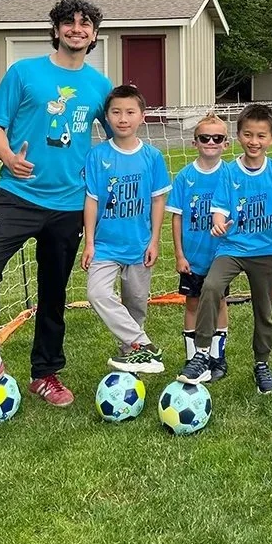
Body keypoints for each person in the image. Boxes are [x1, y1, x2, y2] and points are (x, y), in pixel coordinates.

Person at [0, 0, 114, 414]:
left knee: (53, 291)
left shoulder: (99, 86)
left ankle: (46, 373)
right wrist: (8, 158)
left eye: (86, 23)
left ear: (94, 35)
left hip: (69, 204)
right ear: (55, 30)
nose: (78, 28)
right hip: (17, 196)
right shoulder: (23, 73)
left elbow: (117, 137)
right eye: (69, 22)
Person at [177, 103, 272, 394]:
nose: (254, 141)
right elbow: (219, 208)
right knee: (211, 287)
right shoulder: (229, 172)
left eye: (261, 135)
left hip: (265, 252)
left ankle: (262, 364)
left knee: (264, 310)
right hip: (230, 248)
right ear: (239, 137)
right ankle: (202, 354)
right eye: (248, 135)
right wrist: (218, 223)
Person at [81, 84, 172, 374]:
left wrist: (154, 241)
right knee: (97, 294)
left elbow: (158, 200)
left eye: (130, 112)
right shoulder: (97, 156)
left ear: (142, 116)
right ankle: (144, 345)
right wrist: (90, 243)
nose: (123, 118)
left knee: (135, 307)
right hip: (106, 246)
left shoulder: (152, 157)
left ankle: (132, 357)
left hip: (139, 245)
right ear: (106, 117)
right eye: (116, 112)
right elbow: (92, 201)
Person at [165, 113, 233, 376]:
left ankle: (217, 356)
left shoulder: (230, 174)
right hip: (192, 257)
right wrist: (180, 255)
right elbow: (177, 217)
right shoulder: (185, 177)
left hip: (220, 256)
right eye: (205, 137)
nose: (211, 142)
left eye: (218, 138)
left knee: (218, 302)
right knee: (192, 303)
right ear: (195, 142)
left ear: (226, 143)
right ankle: (193, 358)